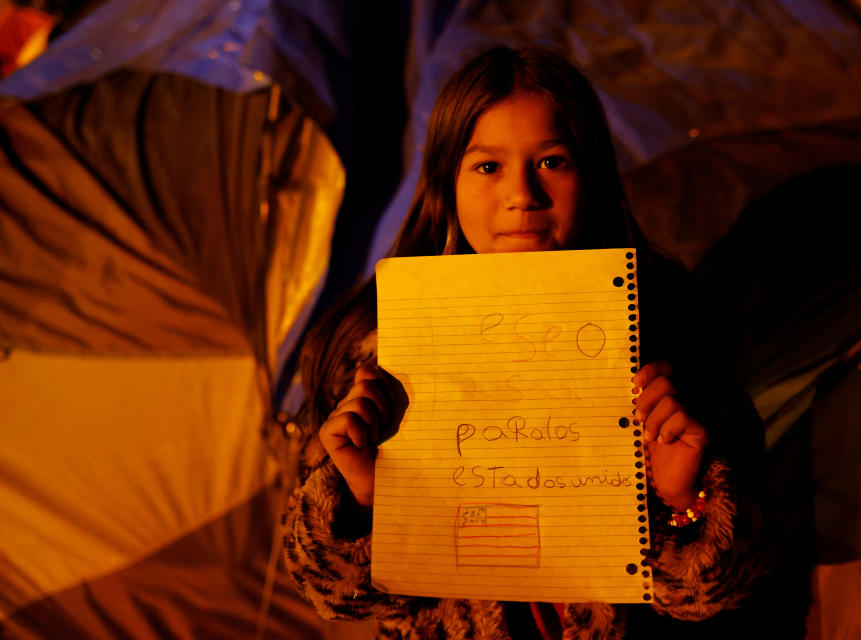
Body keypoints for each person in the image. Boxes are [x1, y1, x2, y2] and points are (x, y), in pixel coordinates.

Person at [283, 46, 770, 639]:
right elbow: (336, 597)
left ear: (591, 173)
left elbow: (724, 593)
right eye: (487, 167)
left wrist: (685, 499)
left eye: (552, 161)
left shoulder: (669, 330)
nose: (522, 195)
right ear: (446, 181)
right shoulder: (376, 348)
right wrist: (360, 501)